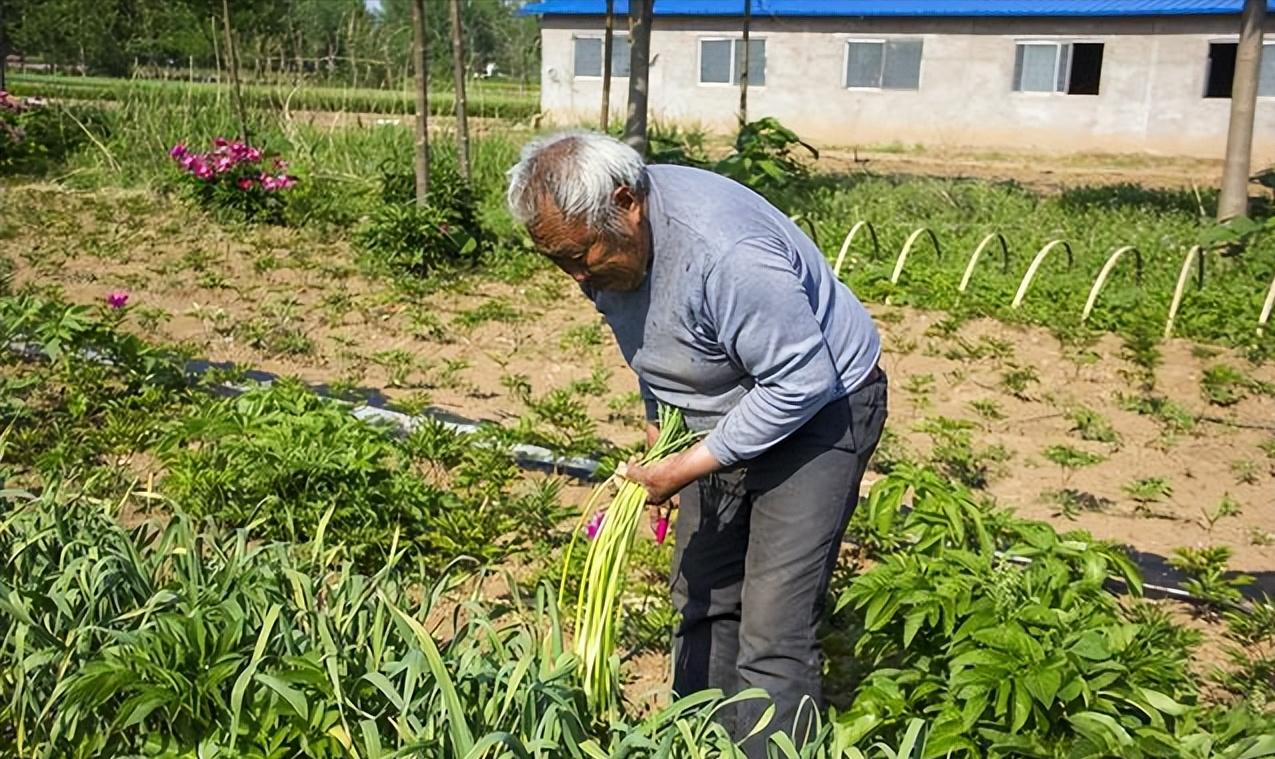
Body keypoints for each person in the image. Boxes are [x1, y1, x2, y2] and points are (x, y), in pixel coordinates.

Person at [506, 131, 887, 755]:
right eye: (559, 261)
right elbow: (650, 336)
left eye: (582, 256)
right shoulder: (603, 242)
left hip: (821, 410)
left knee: (773, 627)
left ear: (627, 203)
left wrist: (690, 465)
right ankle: (694, 743)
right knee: (702, 593)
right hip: (720, 415)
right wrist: (662, 422)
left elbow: (800, 381)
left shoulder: (727, 252)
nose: (577, 277)